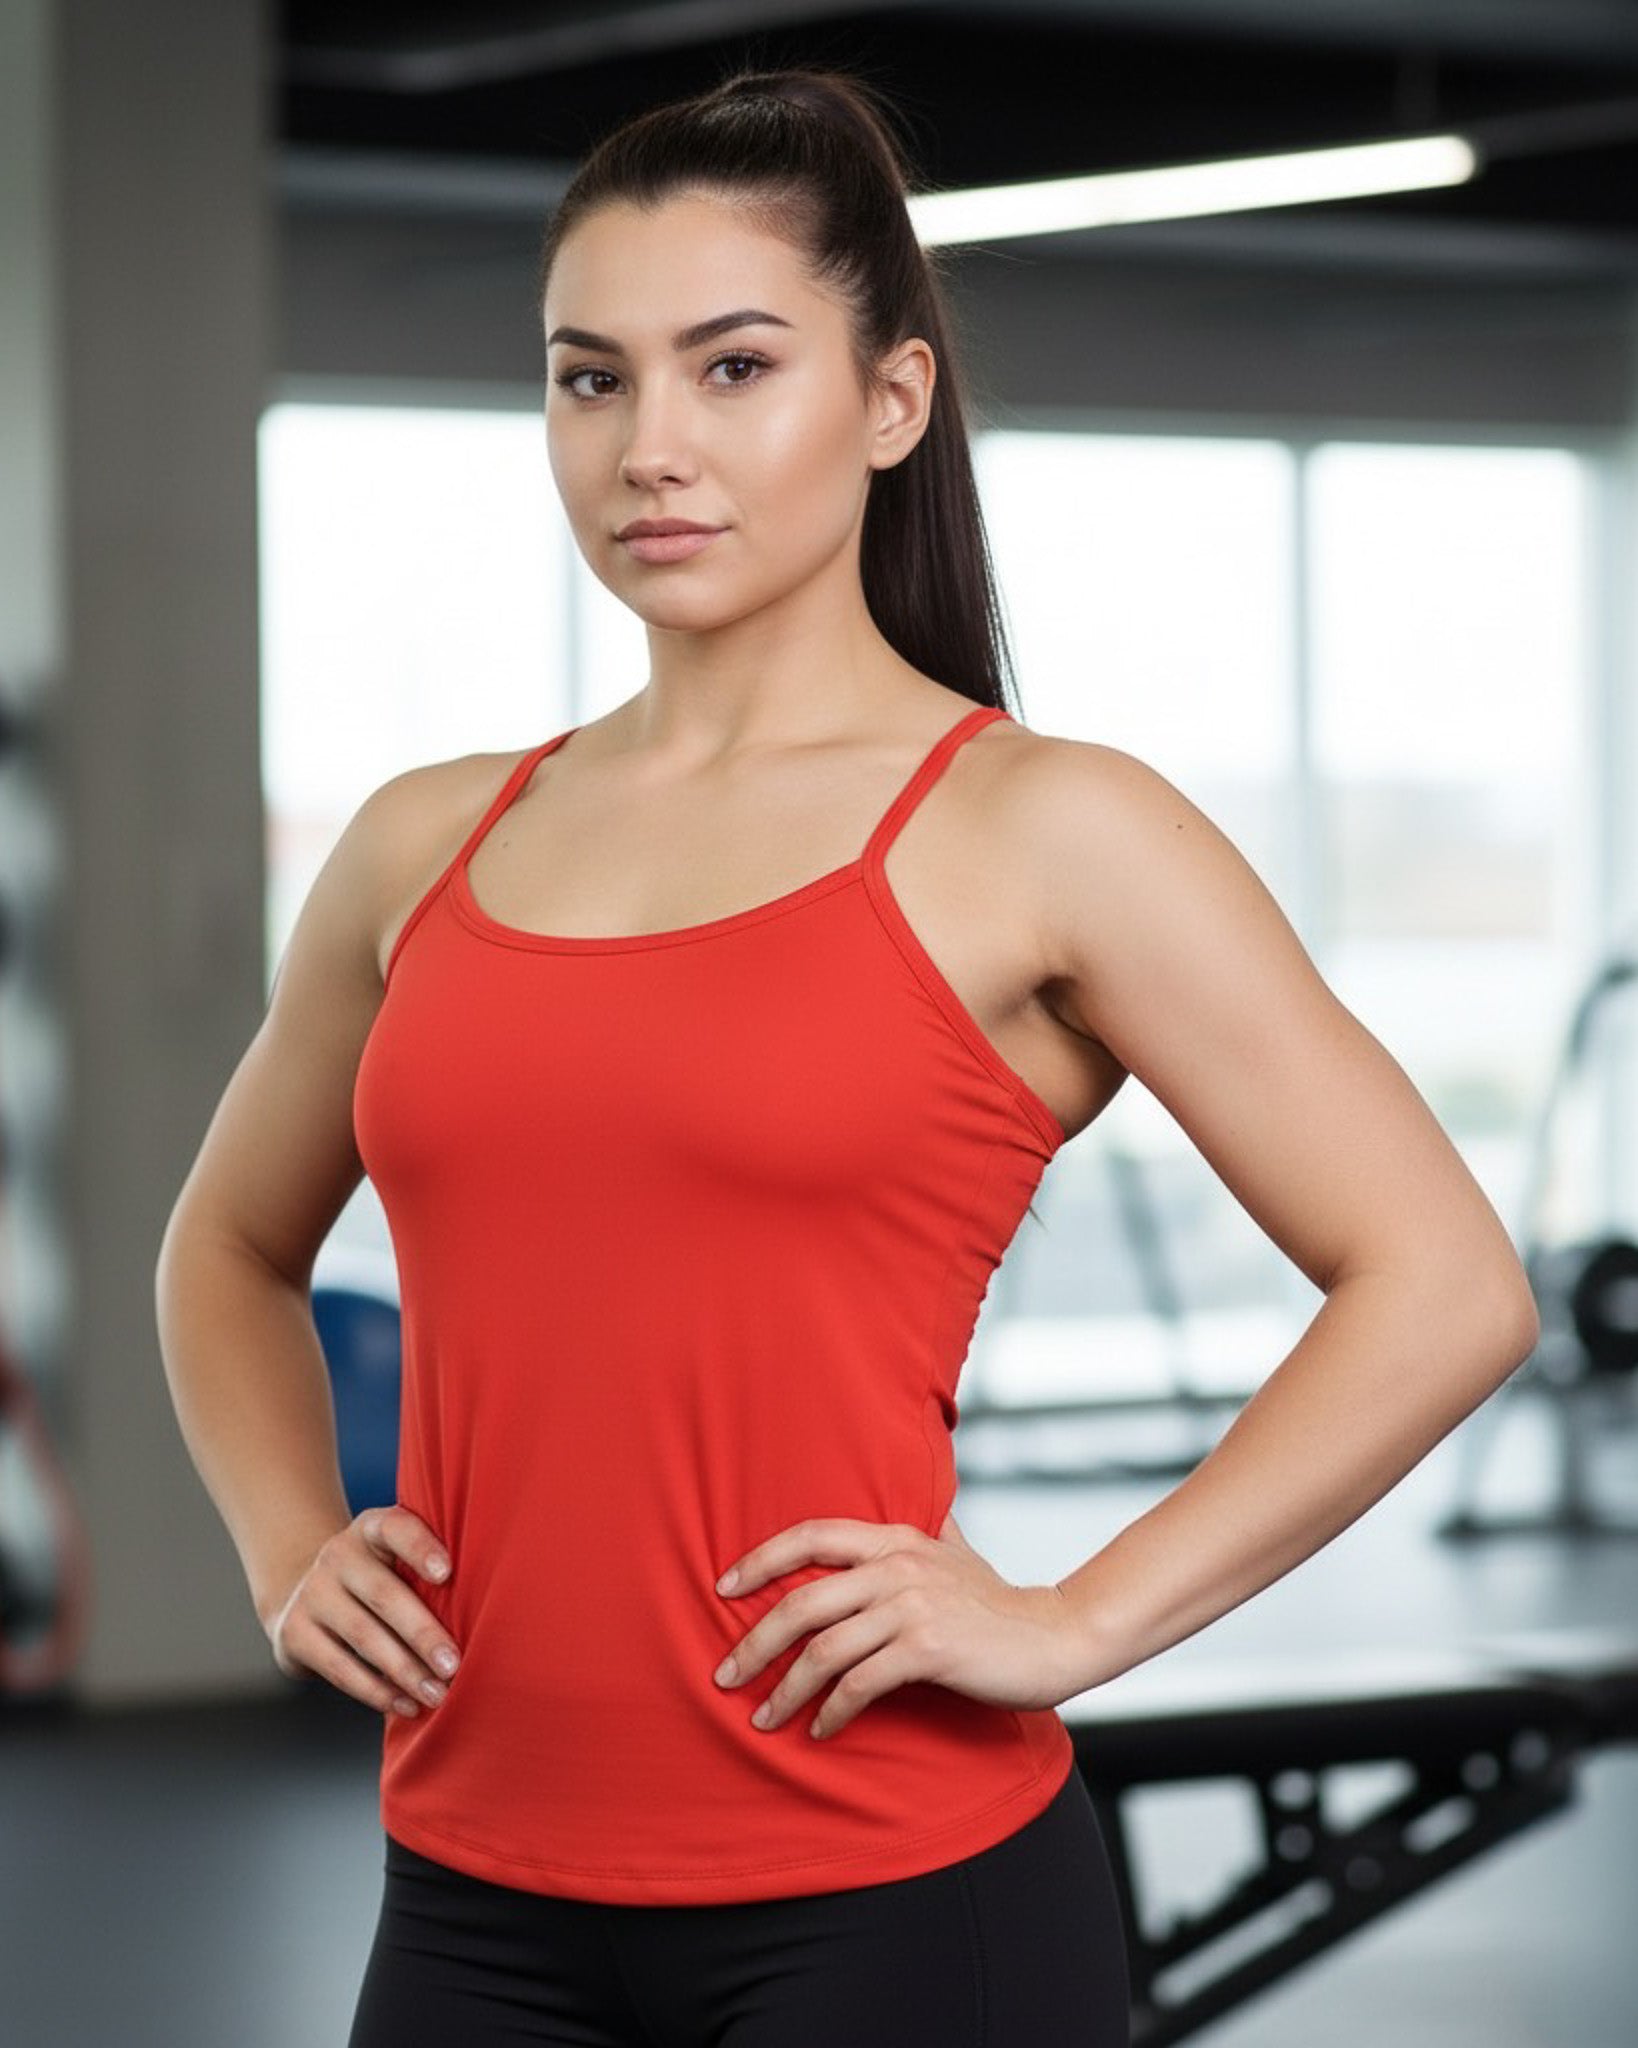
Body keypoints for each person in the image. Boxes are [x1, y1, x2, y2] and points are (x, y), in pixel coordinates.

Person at [154, 63, 1540, 2048]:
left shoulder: (1046, 829)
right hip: (469, 1891)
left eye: (733, 368)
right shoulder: (420, 839)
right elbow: (224, 1250)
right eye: (589, 378)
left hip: (894, 1904)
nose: (651, 446)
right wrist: (288, 1543)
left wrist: (1073, 1618)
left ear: (890, 400)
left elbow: (1448, 1282)